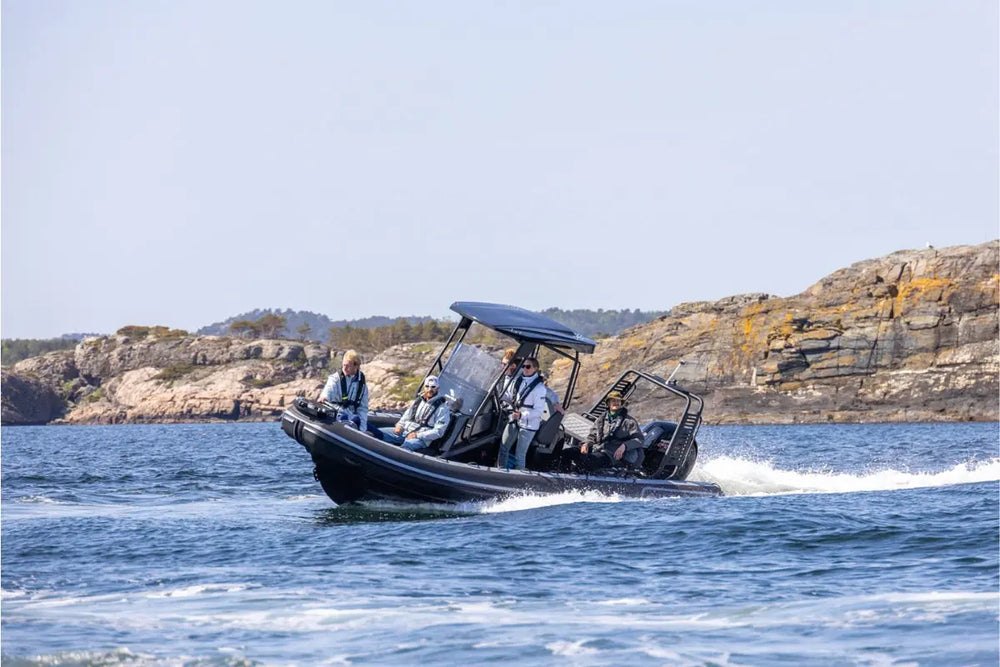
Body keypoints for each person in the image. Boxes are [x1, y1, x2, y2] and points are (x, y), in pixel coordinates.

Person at [563, 391, 644, 472]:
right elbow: (592, 435)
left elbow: (639, 439)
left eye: (618, 401)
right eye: (613, 401)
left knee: (586, 461)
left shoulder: (629, 421)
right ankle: (563, 474)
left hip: (611, 455)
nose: (616, 403)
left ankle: (578, 479)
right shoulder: (601, 419)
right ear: (608, 404)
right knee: (567, 453)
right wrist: (586, 444)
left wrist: (624, 446)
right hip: (596, 448)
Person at [495, 356, 548, 470]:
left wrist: (522, 415)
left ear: (535, 368)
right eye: (523, 366)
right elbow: (511, 396)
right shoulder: (519, 381)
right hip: (515, 419)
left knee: (520, 455)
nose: (525, 369)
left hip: (528, 424)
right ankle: (500, 471)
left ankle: (518, 478)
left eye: (528, 367)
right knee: (503, 447)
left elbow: (538, 411)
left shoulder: (540, 388)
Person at [380, 376, 451, 452]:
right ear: (424, 387)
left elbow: (439, 432)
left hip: (421, 438)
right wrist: (399, 425)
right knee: (378, 433)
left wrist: (417, 435)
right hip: (405, 431)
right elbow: (406, 416)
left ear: (438, 388)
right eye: (427, 386)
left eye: (433, 387)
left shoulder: (442, 409)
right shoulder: (418, 401)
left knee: (406, 447)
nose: (430, 389)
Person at [318, 349, 369, 431]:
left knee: (378, 434)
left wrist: (362, 430)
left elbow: (363, 409)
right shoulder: (335, 379)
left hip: (352, 415)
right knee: (351, 418)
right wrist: (324, 396)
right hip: (337, 413)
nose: (344, 368)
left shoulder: (362, 385)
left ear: (356, 366)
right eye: (343, 365)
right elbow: (329, 389)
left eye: (348, 366)